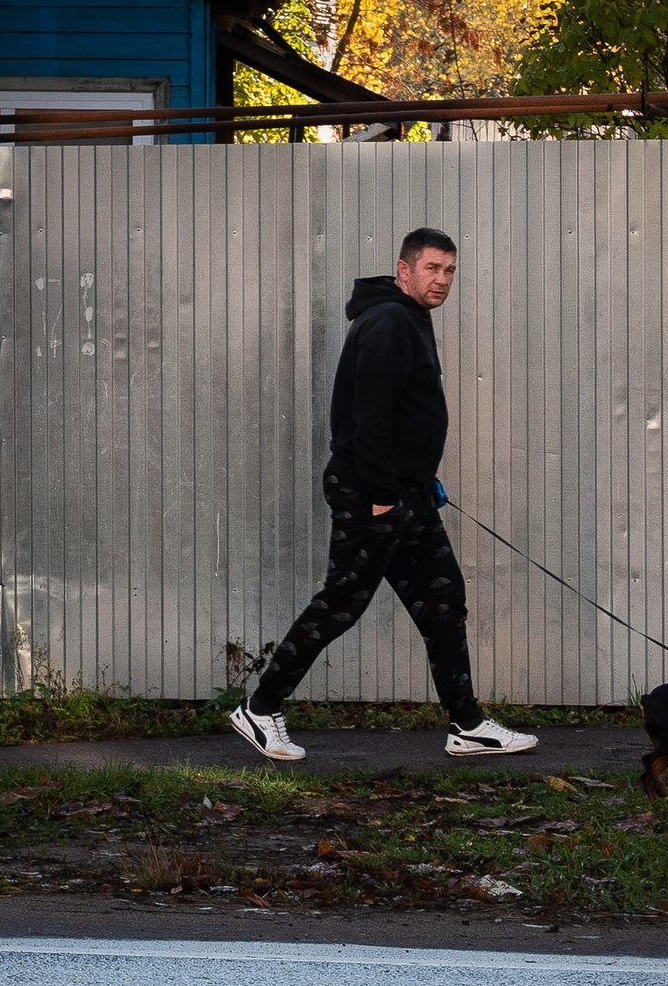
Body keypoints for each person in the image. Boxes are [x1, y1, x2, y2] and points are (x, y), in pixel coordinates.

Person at [229, 227, 538, 763]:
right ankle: (260, 708)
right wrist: (381, 495)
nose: (441, 280)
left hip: (404, 490)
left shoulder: (408, 318)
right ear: (404, 270)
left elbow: (401, 414)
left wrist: (418, 478)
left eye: (449, 271)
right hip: (375, 494)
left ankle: (467, 726)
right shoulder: (391, 321)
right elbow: (368, 416)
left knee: (443, 602)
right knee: (341, 603)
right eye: (431, 269)